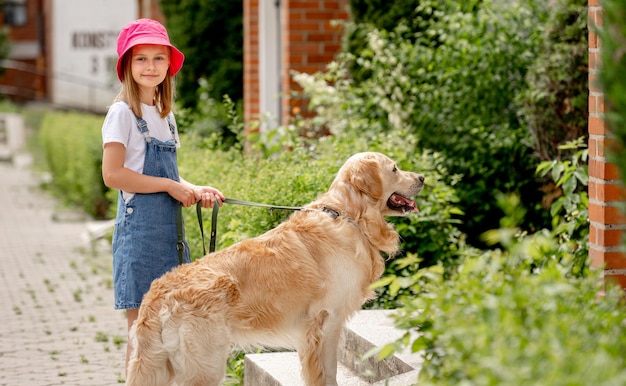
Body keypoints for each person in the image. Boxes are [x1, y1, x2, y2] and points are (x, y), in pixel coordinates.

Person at [101, 18, 225, 372]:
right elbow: (114, 175)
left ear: (169, 65)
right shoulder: (121, 114)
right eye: (141, 59)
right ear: (126, 65)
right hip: (140, 235)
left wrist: (193, 187)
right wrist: (173, 187)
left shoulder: (165, 115)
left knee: (169, 330)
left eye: (158, 58)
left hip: (170, 234)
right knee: (143, 332)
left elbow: (164, 173)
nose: (150, 66)